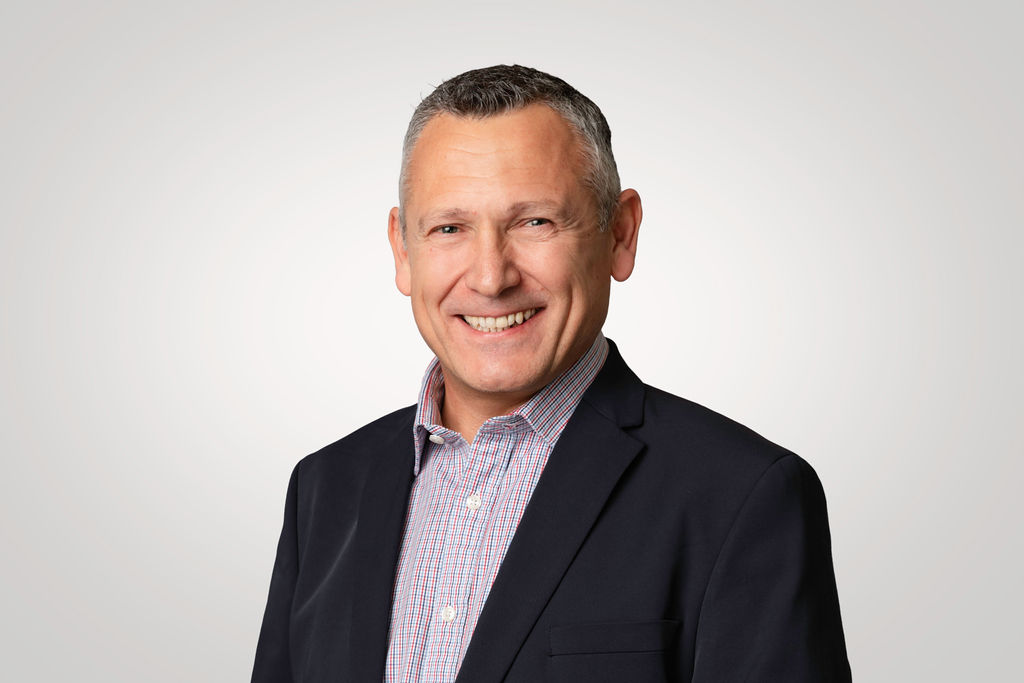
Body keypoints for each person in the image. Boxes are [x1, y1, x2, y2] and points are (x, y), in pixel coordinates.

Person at [251, 64, 851, 682]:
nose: (491, 277)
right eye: (449, 228)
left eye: (534, 221)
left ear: (619, 234)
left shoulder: (741, 496)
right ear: (403, 251)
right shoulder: (324, 489)